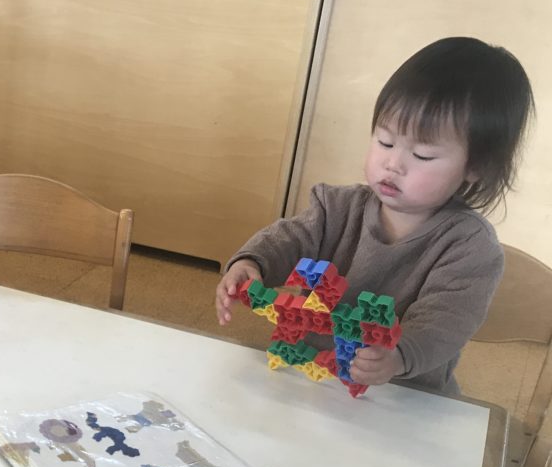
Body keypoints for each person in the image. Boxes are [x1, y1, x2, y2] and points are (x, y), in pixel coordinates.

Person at [215, 36, 535, 394]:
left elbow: (446, 322)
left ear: (476, 167)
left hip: (403, 392)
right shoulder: (336, 207)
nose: (393, 163)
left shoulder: (470, 247)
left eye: (422, 155)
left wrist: (399, 355)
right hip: (314, 374)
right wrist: (252, 262)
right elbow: (290, 238)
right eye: (385, 141)